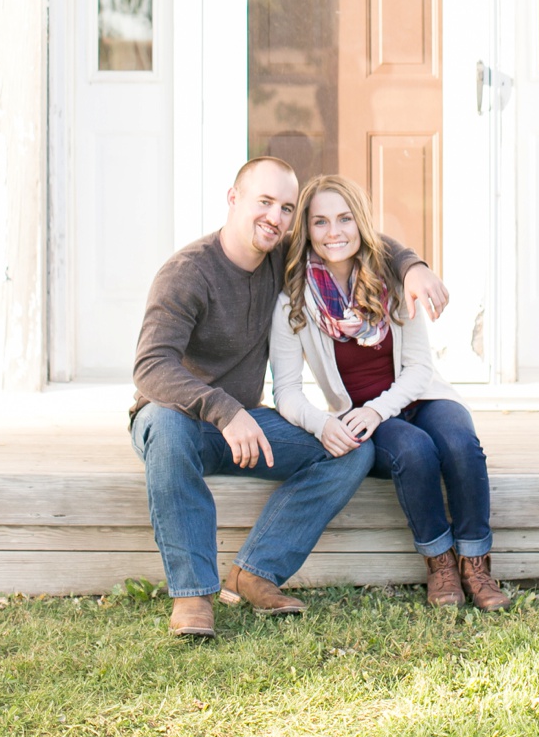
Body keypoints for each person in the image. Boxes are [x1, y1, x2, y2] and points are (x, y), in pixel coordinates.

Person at [130, 156, 450, 638]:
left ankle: (255, 571)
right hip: (178, 418)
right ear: (233, 199)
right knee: (169, 430)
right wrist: (224, 410)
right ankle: (193, 596)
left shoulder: (281, 257)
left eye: (285, 208)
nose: (275, 218)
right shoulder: (187, 274)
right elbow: (151, 367)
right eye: (264, 202)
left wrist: (413, 266)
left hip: (244, 425)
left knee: (350, 449)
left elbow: (360, 239)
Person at [270, 174, 511, 611]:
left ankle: (475, 564)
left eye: (344, 219)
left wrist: (380, 409)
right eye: (320, 222)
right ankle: (439, 563)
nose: (334, 232)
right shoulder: (293, 302)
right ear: (306, 229)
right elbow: (286, 391)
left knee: (460, 443)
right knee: (415, 451)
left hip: (420, 397)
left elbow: (420, 368)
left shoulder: (392, 280)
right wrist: (324, 423)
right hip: (359, 414)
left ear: (361, 222)